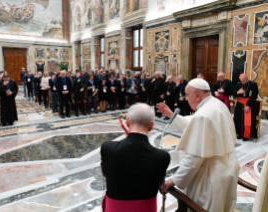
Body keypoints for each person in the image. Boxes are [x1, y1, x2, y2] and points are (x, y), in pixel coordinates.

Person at [157, 78, 240, 212]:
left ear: (197, 95)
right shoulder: (217, 104)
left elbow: (193, 159)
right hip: (226, 171)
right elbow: (192, 123)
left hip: (210, 178)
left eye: (187, 95)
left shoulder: (203, 114)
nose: (185, 98)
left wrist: (175, 180)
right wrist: (171, 115)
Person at [101, 103, 170, 212]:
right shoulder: (162, 157)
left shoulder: (107, 148)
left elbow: (105, 171)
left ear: (127, 122)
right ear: (151, 126)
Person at [233, 73, 259, 141]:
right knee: (238, 119)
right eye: (241, 81)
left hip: (249, 104)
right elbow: (233, 93)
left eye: (244, 80)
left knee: (248, 120)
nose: (243, 82)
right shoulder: (238, 84)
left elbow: (254, 96)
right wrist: (238, 92)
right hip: (239, 104)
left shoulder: (253, 84)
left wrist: (248, 105)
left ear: (247, 79)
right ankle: (239, 133)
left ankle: (247, 135)